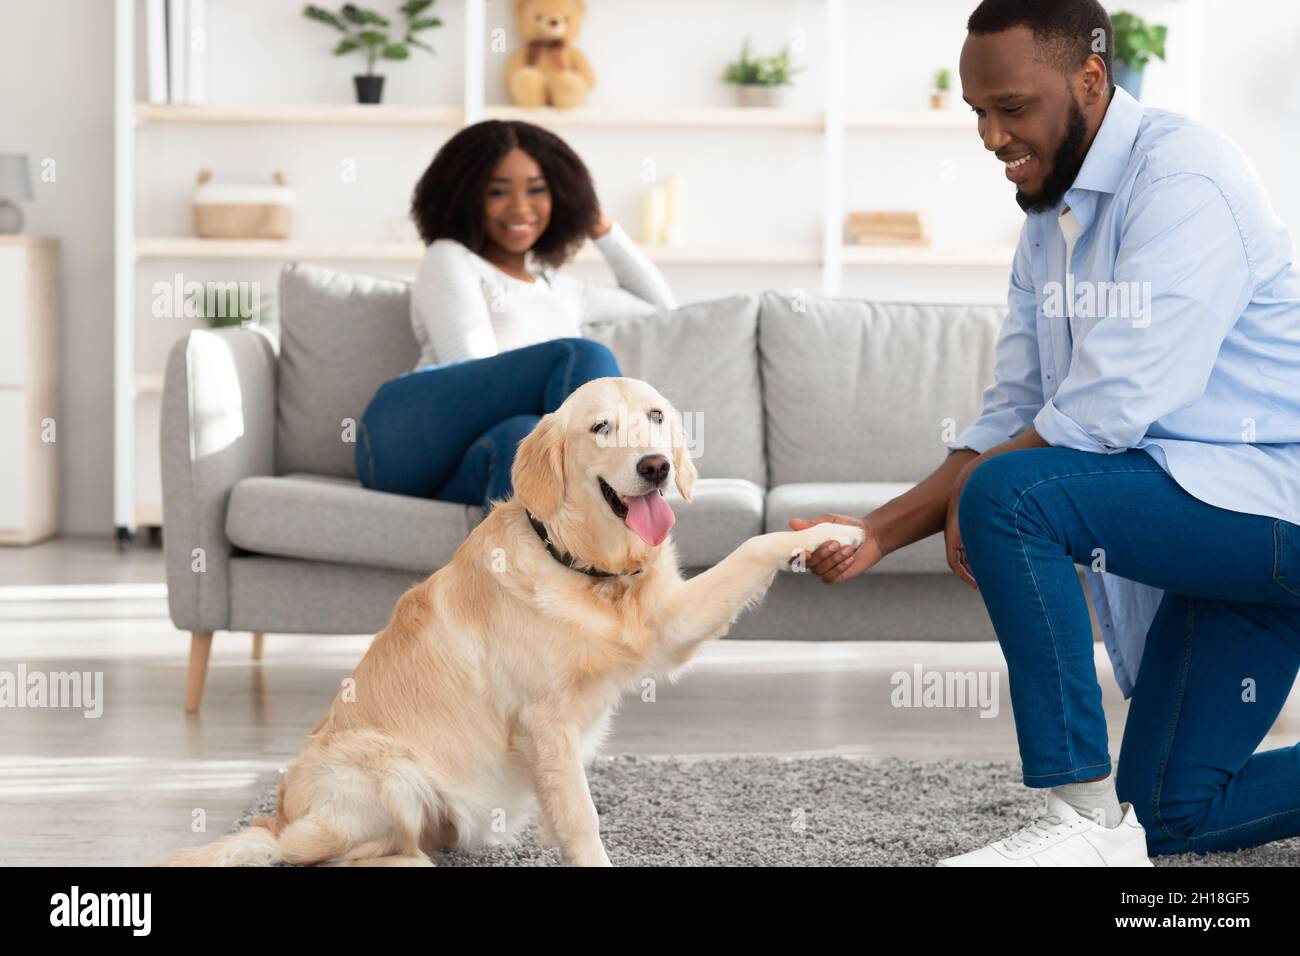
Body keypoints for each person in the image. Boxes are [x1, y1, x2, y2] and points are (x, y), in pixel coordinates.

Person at [793, 0, 1300, 866]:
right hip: (1215, 534)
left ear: (1091, 78)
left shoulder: (1184, 180)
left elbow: (1111, 403)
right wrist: (878, 532)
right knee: (1172, 814)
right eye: (978, 113)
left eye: (1013, 108)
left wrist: (987, 499)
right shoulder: (1047, 218)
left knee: (1008, 492)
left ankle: (1082, 824)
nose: (991, 136)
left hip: (1270, 510)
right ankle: (1121, 824)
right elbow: (1013, 407)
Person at [356, 120, 677, 513]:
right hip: (404, 435)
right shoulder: (450, 258)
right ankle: (623, 476)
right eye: (497, 192)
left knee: (521, 438)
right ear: (465, 197)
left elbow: (662, 311)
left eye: (538, 190)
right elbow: (471, 364)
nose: (521, 207)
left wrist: (601, 228)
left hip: (467, 464)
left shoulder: (563, 289)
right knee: (582, 357)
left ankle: (526, 568)